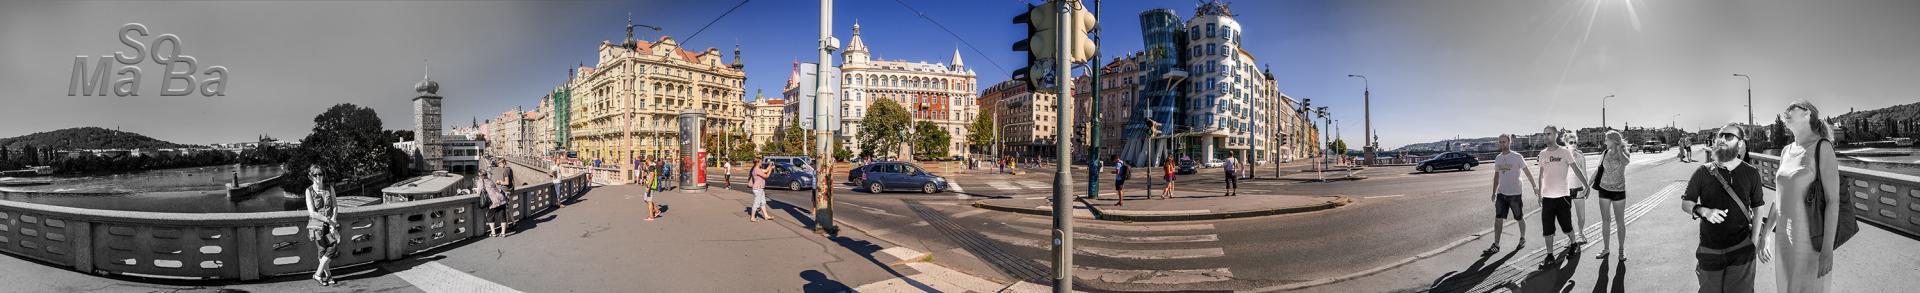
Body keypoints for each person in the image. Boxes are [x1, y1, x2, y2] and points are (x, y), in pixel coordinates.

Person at [1763, 100, 1840, 292]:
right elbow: (1779, 197)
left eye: (1792, 108)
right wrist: (1765, 234)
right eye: (1786, 108)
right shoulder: (1786, 151)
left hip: (1809, 242)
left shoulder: (1822, 147)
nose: (1786, 111)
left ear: (1808, 115)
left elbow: (1833, 201)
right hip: (1784, 238)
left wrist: (1827, 250)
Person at [1684, 123, 1766, 293]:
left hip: (1741, 248)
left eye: (1728, 136)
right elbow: (1686, 202)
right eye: (1719, 135)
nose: (1721, 139)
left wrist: (1754, 242)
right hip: (1709, 249)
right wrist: (1703, 211)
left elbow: (1758, 207)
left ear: (1740, 143)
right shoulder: (1703, 172)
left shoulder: (1751, 173)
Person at [1535, 126, 1592, 265]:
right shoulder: (1542, 154)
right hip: (1547, 197)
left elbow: (1577, 170)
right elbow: (1541, 175)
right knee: (1547, 228)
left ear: (1555, 135)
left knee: (1566, 226)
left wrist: (1586, 185)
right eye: (1544, 134)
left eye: (1548, 134)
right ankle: (1549, 255)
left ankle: (1573, 244)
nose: (1546, 136)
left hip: (1563, 196)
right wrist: (1540, 193)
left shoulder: (1564, 152)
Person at [1486, 134, 1538, 255]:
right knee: (1498, 219)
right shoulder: (1498, 158)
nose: (1502, 144)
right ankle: (1496, 244)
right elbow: (1496, 176)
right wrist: (1494, 192)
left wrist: (1534, 186)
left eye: (1504, 142)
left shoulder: (1517, 157)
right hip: (1501, 194)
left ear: (1509, 142)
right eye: (1500, 142)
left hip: (1515, 194)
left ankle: (1522, 238)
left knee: (1519, 217)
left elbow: (1527, 172)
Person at [1594, 131, 1630, 261]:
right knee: (1606, 220)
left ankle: (1621, 250)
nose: (1604, 142)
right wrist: (1587, 186)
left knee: (1620, 221)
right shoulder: (1604, 153)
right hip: (1603, 189)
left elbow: (1626, 162)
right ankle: (1606, 248)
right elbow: (1598, 170)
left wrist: (1619, 149)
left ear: (1614, 141)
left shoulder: (1624, 152)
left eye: (1607, 140)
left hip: (1618, 190)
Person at [303, 165, 339, 286]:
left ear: (323, 175)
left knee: (333, 246)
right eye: (315, 174)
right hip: (318, 225)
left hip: (330, 226)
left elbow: (335, 206)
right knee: (322, 250)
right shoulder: (309, 191)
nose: (318, 176)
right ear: (311, 176)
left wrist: (333, 221)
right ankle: (328, 276)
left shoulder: (329, 188)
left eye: (320, 174)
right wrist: (328, 221)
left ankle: (317, 274)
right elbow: (312, 212)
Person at [1562, 130, 1592, 249]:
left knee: (1581, 216)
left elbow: (1584, 173)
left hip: (1579, 189)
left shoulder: (1580, 157)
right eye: (1571, 142)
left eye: (1575, 142)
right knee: (1567, 217)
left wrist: (1587, 187)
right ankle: (1571, 238)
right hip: (1566, 190)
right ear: (1566, 143)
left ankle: (1580, 232)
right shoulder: (1562, 157)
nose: (1573, 144)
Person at [748, 157, 774, 222]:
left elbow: (765, 170)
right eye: (761, 162)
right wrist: (771, 169)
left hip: (760, 188)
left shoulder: (757, 169)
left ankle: (766, 216)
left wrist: (770, 165)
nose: (762, 163)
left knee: (763, 203)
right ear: (757, 162)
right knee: (756, 203)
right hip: (758, 188)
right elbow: (766, 176)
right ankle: (752, 217)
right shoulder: (757, 170)